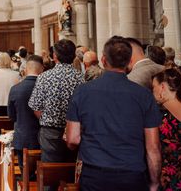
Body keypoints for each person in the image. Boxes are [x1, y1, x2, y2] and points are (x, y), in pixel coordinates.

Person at [65, 37, 162, 191]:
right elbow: (153, 147)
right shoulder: (144, 95)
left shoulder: (82, 92)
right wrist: (155, 182)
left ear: (103, 60)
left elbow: (72, 139)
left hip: (95, 174)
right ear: (130, 61)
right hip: (132, 173)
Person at [29, 39, 83, 163]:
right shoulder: (80, 78)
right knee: (71, 169)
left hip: (50, 131)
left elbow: (35, 106)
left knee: (50, 170)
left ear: (55, 56)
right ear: (73, 55)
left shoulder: (44, 77)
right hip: (74, 131)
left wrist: (47, 119)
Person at [8, 55, 43, 170]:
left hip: (23, 136)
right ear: (42, 69)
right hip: (42, 138)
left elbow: (11, 116)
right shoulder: (46, 87)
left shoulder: (15, 89)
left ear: (26, 70)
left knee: (26, 173)